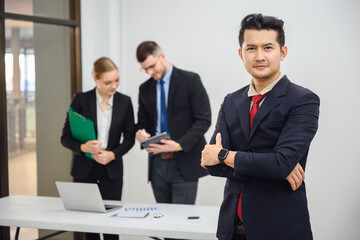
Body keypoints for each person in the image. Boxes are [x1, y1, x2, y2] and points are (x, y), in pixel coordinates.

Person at [201, 13, 320, 240]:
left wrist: (225, 154)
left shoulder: (303, 100)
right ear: (241, 53)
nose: (259, 56)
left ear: (282, 52)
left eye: (268, 47)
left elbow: (280, 163)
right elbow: (211, 164)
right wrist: (271, 165)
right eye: (251, 48)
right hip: (231, 229)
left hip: (279, 229)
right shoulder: (231, 101)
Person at [61, 57, 135, 240]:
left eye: (117, 80)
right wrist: (83, 147)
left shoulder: (125, 102)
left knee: (112, 225)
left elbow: (130, 138)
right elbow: (65, 137)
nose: (114, 86)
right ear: (95, 79)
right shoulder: (80, 100)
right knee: (89, 226)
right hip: (84, 170)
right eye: (108, 82)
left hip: (112, 170)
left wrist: (113, 154)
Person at [135, 41, 211, 205]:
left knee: (181, 223)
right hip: (157, 164)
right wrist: (140, 133)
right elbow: (142, 122)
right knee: (162, 221)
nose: (149, 72)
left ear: (162, 56)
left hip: (184, 162)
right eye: (145, 69)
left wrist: (178, 145)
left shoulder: (190, 80)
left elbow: (204, 120)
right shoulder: (145, 88)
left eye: (152, 66)